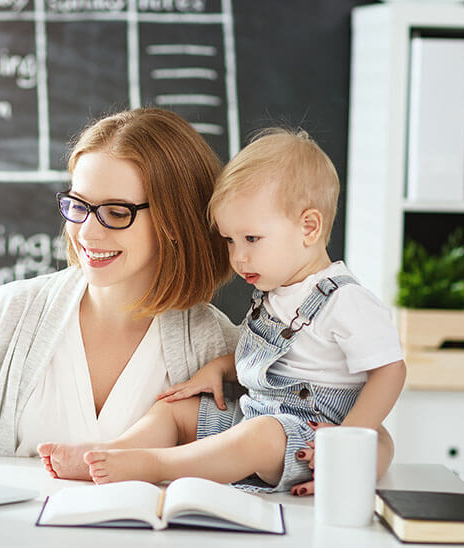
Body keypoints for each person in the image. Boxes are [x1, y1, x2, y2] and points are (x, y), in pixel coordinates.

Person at [38, 127, 406, 494]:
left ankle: (154, 464)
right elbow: (279, 358)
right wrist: (220, 367)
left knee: (259, 436)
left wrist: (346, 446)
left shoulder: (345, 300)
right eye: (230, 240)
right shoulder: (275, 293)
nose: (237, 257)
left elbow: (390, 371)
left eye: (251, 239)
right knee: (177, 412)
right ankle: (111, 452)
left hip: (305, 437)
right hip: (255, 415)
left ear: (308, 228)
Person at [0, 107, 241, 460]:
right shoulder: (10, 314)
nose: (87, 232)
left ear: (175, 222)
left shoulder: (219, 349)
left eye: (116, 213)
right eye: (79, 204)